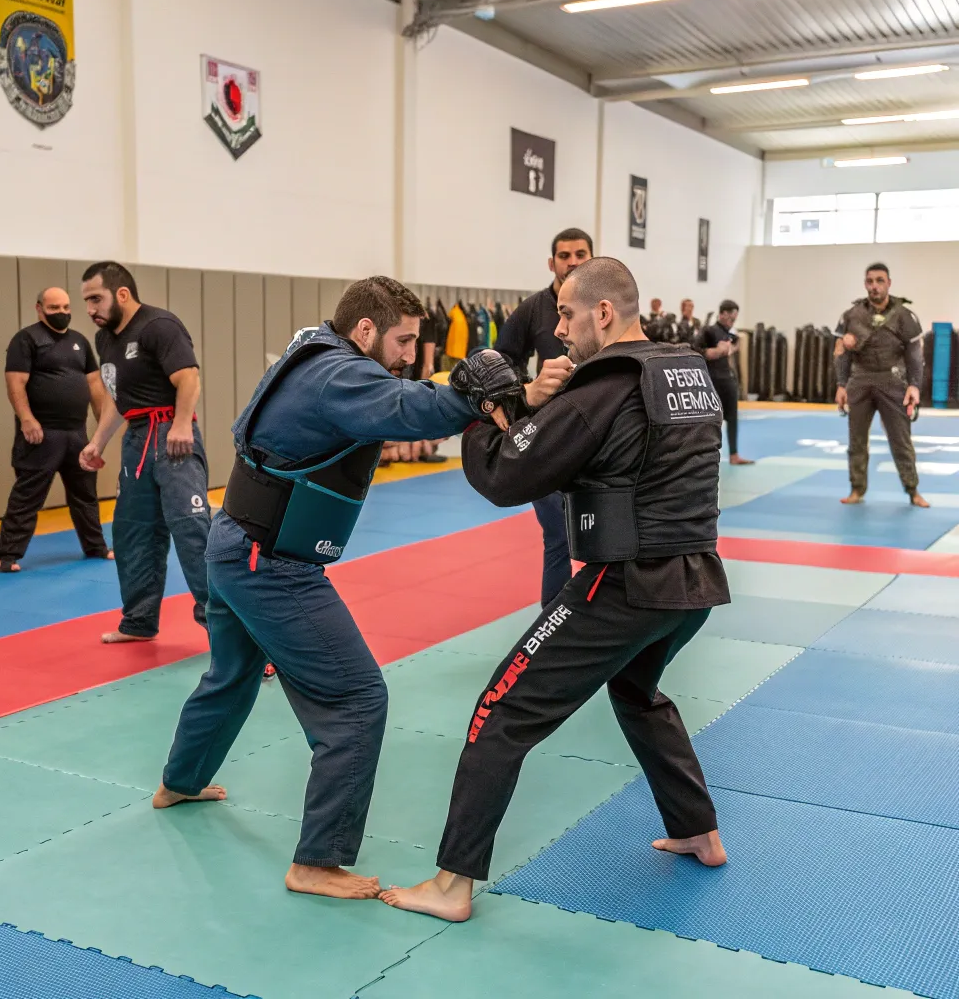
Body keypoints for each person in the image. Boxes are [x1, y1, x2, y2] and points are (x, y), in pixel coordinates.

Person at [151, 276, 572, 902]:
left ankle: (180, 781)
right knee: (356, 699)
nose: (408, 355)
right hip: (271, 564)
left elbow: (395, 395)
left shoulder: (318, 351)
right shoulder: (337, 377)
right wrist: (483, 395)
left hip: (237, 545)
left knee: (232, 674)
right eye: (402, 341)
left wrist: (513, 394)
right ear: (366, 329)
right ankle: (316, 862)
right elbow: (405, 407)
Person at [381, 257, 731, 923]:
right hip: (696, 580)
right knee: (637, 692)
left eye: (567, 314)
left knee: (499, 710)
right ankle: (699, 830)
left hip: (626, 582)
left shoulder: (602, 390)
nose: (559, 329)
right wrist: (535, 406)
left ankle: (451, 885)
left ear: (603, 313)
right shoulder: (684, 371)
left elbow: (508, 477)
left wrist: (488, 413)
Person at [78, 262, 212, 643]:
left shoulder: (159, 326)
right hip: (137, 440)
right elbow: (119, 400)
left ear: (122, 294)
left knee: (191, 531)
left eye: (96, 299)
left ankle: (227, 631)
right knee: (132, 531)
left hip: (173, 436)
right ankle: (138, 621)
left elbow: (188, 377)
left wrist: (183, 424)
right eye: (86, 300)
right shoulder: (105, 340)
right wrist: (97, 443)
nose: (90, 309)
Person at [496, 227, 593, 606]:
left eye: (580, 254)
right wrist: (528, 389)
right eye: (564, 256)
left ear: (591, 258)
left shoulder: (606, 307)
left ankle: (593, 620)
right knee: (557, 535)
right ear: (552, 262)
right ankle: (550, 625)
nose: (571, 262)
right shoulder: (534, 309)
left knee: (602, 536)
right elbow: (502, 357)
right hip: (548, 434)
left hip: (598, 435)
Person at [0, 288, 113, 572]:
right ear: (39, 308)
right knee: (28, 495)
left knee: (85, 494)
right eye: (53, 308)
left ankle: (95, 546)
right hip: (41, 434)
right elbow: (15, 383)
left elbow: (95, 385)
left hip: (76, 433)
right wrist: (26, 419)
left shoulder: (79, 342)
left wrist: (101, 429)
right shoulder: (26, 340)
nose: (61, 313)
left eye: (65, 307)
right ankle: (8, 555)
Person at [835, 263, 928, 508]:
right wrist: (841, 385)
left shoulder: (904, 315)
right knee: (856, 440)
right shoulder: (851, 315)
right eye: (870, 281)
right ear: (865, 284)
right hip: (861, 380)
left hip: (892, 380)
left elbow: (915, 355)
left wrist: (914, 386)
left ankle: (913, 490)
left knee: (901, 439)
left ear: (889, 283)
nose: (874, 286)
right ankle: (856, 489)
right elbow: (841, 353)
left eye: (879, 280)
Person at [700, 300, 753, 466]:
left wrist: (732, 348)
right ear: (722, 314)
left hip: (727, 379)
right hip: (713, 380)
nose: (732, 322)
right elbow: (695, 350)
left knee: (733, 417)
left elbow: (733, 345)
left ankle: (734, 455)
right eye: (730, 318)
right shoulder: (709, 331)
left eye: (734, 319)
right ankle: (706, 456)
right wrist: (714, 352)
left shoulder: (729, 333)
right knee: (711, 420)